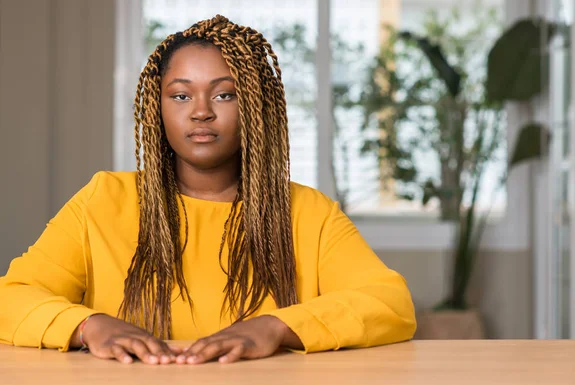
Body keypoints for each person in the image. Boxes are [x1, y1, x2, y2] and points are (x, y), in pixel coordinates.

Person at [0, 15, 416, 365]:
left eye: (224, 94)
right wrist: (87, 327)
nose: (201, 110)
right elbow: (12, 298)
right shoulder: (104, 200)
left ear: (255, 106)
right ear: (157, 107)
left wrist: (276, 327)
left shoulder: (308, 212)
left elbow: (389, 302)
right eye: (180, 94)